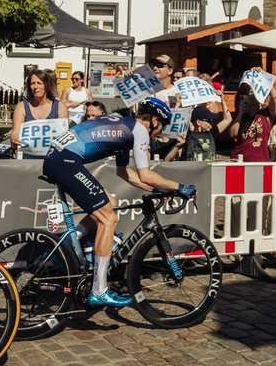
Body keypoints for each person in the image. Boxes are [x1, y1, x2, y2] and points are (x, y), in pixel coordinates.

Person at [39, 95, 195, 309]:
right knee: (108, 219)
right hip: (65, 161)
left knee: (109, 203)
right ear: (155, 121)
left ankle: (71, 241)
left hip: (60, 159)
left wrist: (157, 189)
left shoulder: (124, 126)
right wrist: (179, 187)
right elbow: (146, 174)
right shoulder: (139, 131)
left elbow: (125, 173)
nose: (159, 134)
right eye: (162, 127)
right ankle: (99, 290)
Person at [10, 69, 62, 148]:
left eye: (39, 83)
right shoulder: (21, 107)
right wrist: (14, 137)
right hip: (28, 157)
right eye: (32, 83)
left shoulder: (60, 107)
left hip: (52, 157)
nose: (36, 87)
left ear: (46, 85)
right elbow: (16, 132)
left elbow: (63, 135)